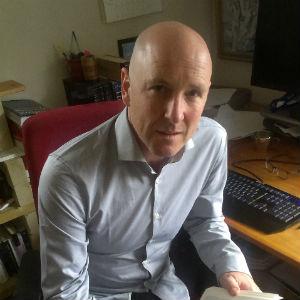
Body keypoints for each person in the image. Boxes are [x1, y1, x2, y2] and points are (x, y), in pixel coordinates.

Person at [39, 21, 260, 300]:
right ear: (126, 87)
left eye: (193, 93)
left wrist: (233, 268)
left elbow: (205, 219)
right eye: (159, 88)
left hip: (166, 285)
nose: (175, 115)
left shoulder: (211, 143)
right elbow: (67, 295)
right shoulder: (67, 175)